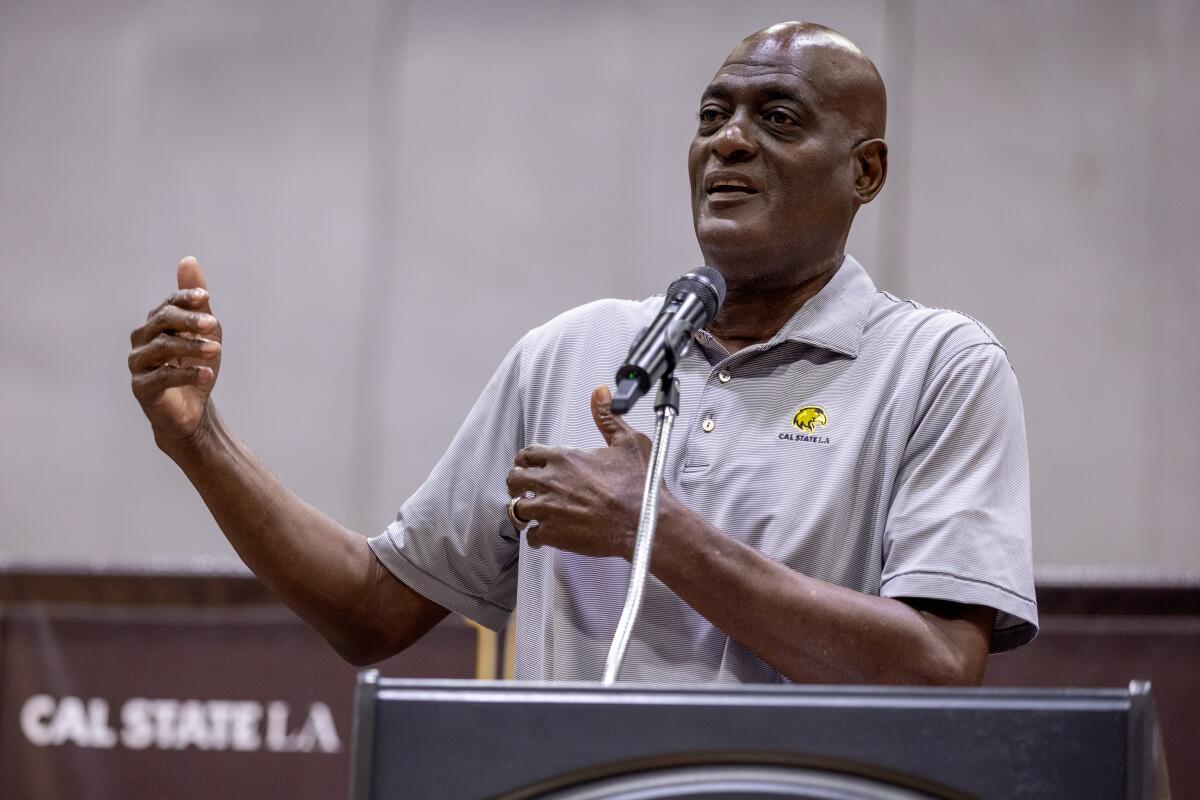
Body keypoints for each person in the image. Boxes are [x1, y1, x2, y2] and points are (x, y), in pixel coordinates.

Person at [127, 22, 1036, 684]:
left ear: (864, 171)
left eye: (780, 118)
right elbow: (372, 612)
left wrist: (657, 529)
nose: (728, 138)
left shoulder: (939, 367)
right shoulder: (574, 353)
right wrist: (199, 441)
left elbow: (936, 666)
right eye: (713, 113)